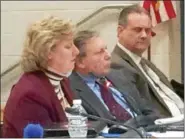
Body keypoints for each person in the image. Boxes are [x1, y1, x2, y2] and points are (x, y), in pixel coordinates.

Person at [2, 16, 79, 137]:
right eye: (68, 47)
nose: (76, 51)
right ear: (48, 52)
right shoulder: (30, 95)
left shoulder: (62, 81)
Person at [69, 30, 162, 128]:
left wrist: (136, 123)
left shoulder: (119, 75)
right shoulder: (71, 90)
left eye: (106, 49)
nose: (108, 56)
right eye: (100, 52)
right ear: (80, 62)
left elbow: (152, 112)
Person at [111, 5, 184, 117]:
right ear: (120, 31)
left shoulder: (144, 63)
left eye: (148, 30)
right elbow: (142, 110)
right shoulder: (116, 64)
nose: (144, 35)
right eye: (137, 30)